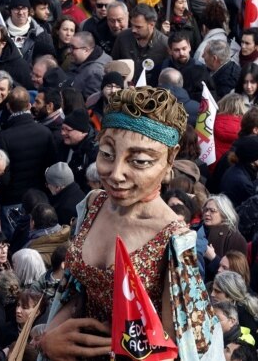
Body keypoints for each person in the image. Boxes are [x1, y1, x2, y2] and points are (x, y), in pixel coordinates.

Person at [41, 86, 221, 359]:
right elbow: (77, 290)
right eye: (107, 154)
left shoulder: (173, 238)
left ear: (170, 158)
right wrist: (49, 339)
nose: (116, 175)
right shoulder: (93, 203)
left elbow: (171, 349)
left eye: (139, 161)